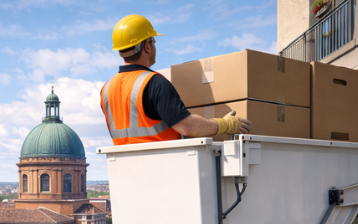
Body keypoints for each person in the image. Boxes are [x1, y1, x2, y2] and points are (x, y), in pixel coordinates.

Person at [101, 15, 251, 145]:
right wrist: (224, 125)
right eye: (153, 42)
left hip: (126, 171)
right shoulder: (154, 83)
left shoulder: (106, 90)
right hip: (163, 168)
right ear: (147, 46)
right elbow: (187, 127)